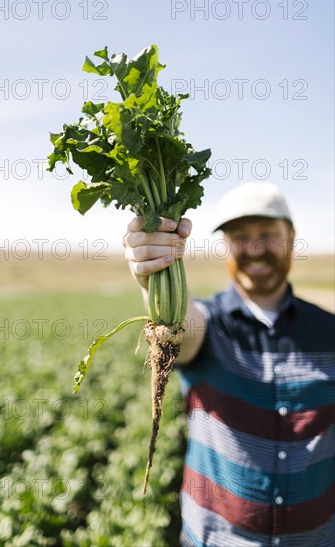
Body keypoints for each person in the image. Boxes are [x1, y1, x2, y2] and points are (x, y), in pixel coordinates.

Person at [123, 182, 335, 546]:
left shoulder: (329, 331)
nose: (254, 249)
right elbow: (183, 332)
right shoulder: (210, 322)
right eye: (239, 237)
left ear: (292, 236)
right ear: (225, 246)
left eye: (268, 234)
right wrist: (150, 276)